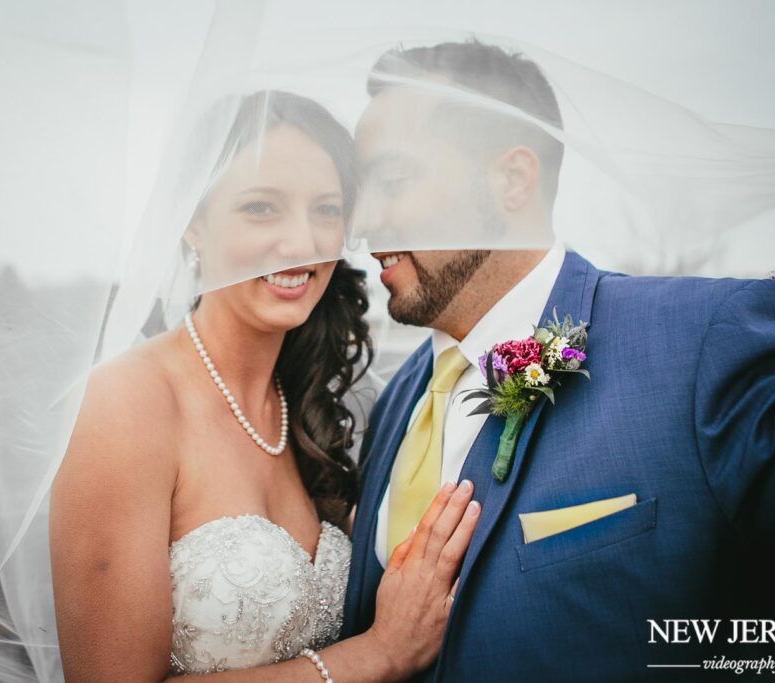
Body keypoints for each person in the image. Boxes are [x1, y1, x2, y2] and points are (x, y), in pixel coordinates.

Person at [342, 41, 775, 681]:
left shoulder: (704, 341)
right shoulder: (399, 397)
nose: (364, 218)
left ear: (511, 179)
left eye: (392, 181)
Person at [49, 91, 480, 682]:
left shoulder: (309, 408)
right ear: (193, 226)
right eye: (262, 208)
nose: (302, 242)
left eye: (326, 211)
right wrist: (377, 654)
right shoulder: (126, 405)